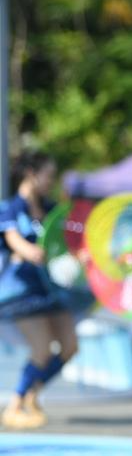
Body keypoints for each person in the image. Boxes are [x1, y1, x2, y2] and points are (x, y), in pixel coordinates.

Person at [0, 151, 79, 429]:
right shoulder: (11, 208)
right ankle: (15, 404)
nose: (51, 181)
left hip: (51, 291)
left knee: (70, 346)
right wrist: (30, 251)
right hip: (22, 292)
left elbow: (65, 242)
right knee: (42, 348)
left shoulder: (50, 208)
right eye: (48, 175)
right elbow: (14, 240)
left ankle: (33, 392)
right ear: (31, 174)